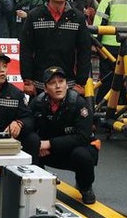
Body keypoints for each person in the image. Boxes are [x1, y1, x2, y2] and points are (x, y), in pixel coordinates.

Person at [29, 67, 99, 204]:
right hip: (47, 152)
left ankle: (85, 187)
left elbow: (83, 137)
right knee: (30, 143)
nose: (58, 86)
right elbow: (28, 127)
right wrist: (37, 144)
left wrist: (50, 144)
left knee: (82, 155)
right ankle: (42, 182)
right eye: (52, 83)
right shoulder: (37, 103)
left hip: (73, 150)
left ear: (67, 84)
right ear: (45, 88)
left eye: (61, 81)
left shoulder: (79, 103)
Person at [20, 0, 92, 96]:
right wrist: (27, 80)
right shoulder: (34, 16)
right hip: (40, 84)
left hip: (69, 84)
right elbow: (26, 49)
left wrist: (81, 82)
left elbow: (84, 50)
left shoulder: (77, 17)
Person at [0, 52, 39, 158]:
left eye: (4, 66)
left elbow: (29, 118)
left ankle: (31, 173)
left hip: (7, 140)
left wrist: (19, 123)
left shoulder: (16, 93)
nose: (2, 70)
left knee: (33, 139)